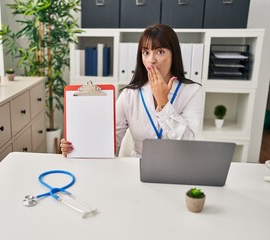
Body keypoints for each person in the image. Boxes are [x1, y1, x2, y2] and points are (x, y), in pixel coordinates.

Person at [60, 24, 203, 157]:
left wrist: (163, 102)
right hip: (138, 169)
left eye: (160, 51)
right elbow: (109, 142)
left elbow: (189, 144)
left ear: (174, 55)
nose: (151, 60)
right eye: (146, 52)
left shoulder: (192, 91)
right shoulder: (129, 94)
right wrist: (76, 148)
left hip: (177, 169)